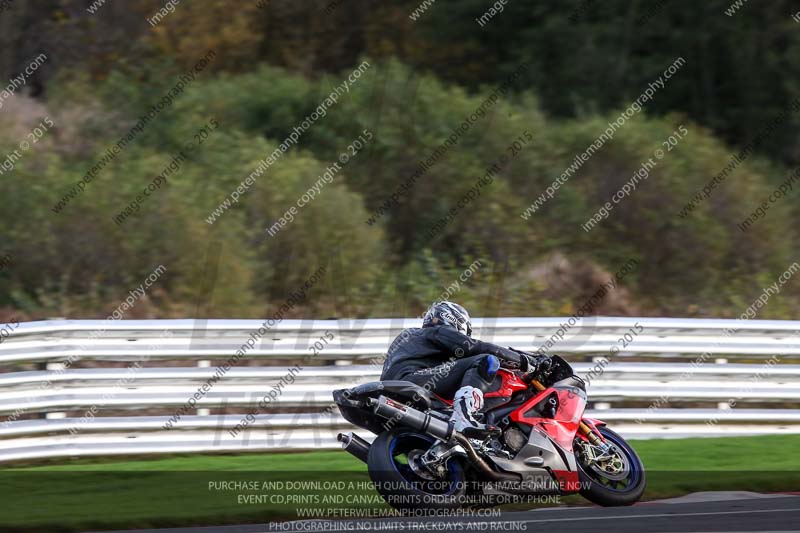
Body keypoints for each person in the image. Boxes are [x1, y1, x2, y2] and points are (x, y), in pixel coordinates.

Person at [380, 301, 549, 435]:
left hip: (397, 390)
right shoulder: (436, 331)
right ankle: (464, 415)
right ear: (455, 320)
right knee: (486, 361)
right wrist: (523, 360)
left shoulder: (417, 341)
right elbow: (474, 348)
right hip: (411, 380)